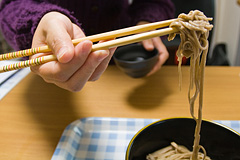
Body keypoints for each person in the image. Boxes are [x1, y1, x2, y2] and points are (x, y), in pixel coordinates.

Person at [0, 0, 175, 92]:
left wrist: (147, 22)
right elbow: (9, 4)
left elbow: (156, 2)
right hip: (47, 78)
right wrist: (38, 23)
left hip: (123, 70)